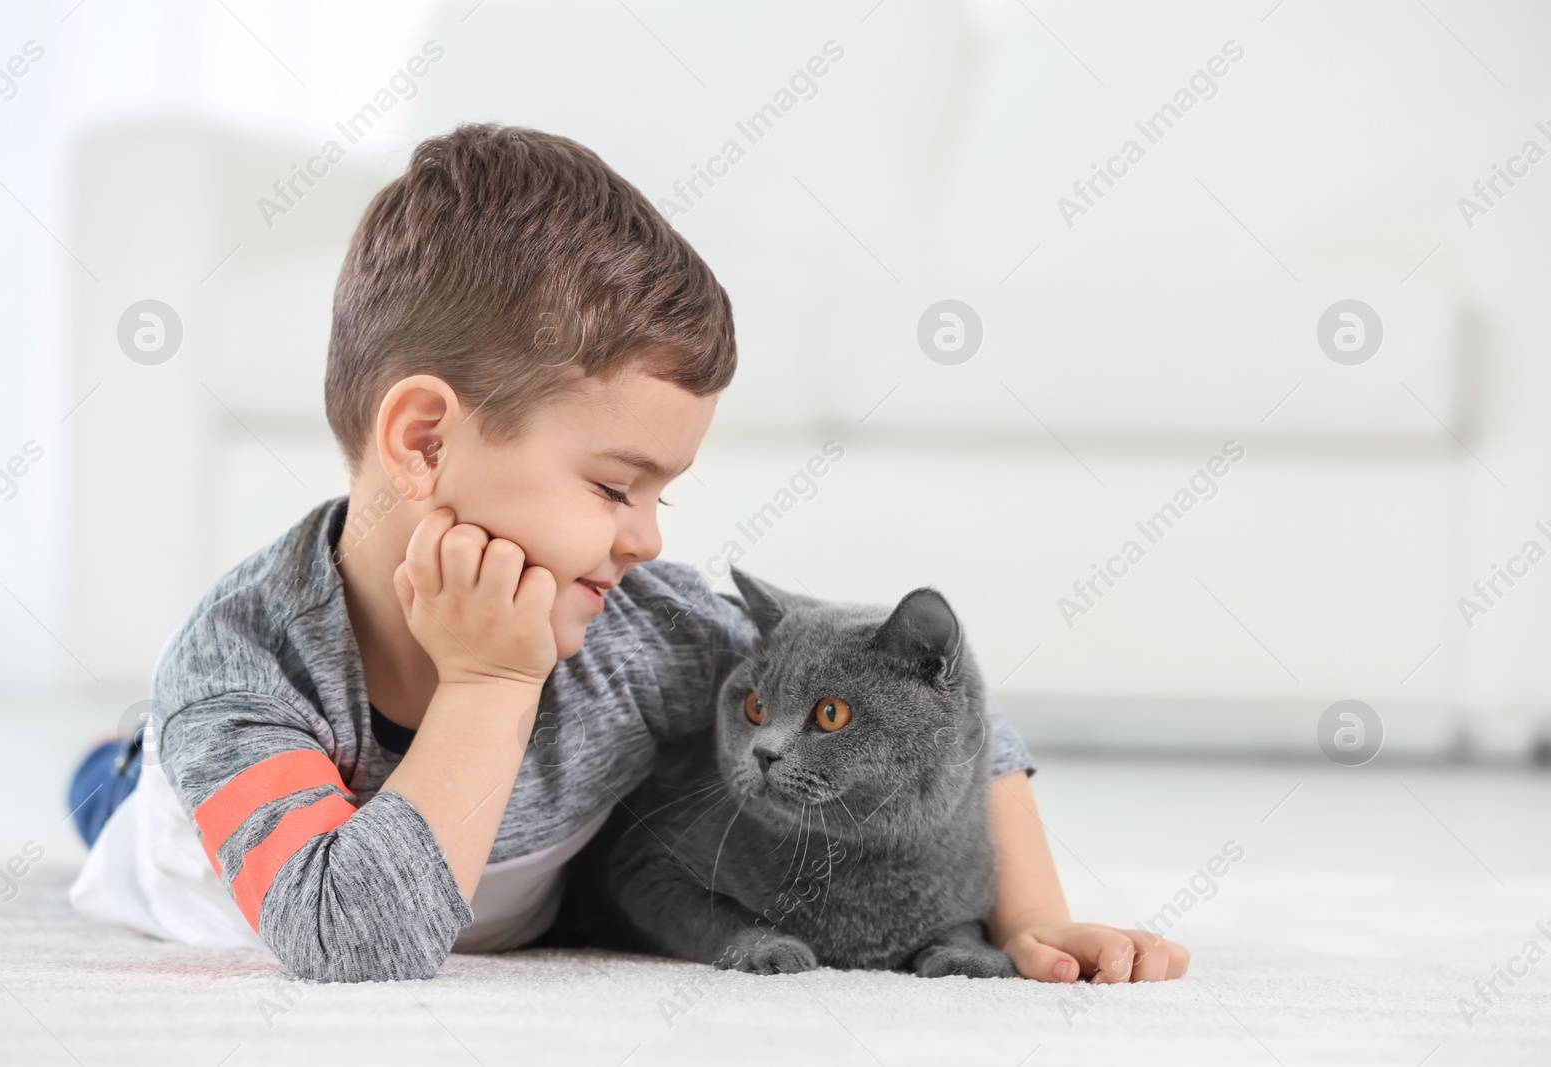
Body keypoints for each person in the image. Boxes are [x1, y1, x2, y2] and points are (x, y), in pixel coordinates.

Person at [67, 122, 1188, 985]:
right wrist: (493, 680)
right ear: (424, 439)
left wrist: (1030, 916)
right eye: (613, 487)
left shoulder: (641, 629)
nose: (648, 537)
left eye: (661, 492)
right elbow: (358, 942)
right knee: (125, 777)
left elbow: (941, 709)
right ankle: (122, 748)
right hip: (181, 849)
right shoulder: (246, 672)